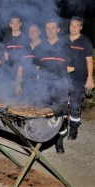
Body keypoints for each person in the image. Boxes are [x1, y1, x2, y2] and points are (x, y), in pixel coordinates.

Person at [34, 19, 75, 154]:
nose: (50, 31)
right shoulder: (40, 47)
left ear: (58, 30)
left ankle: (59, 141)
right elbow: (37, 66)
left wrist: (56, 75)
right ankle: (40, 140)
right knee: (42, 112)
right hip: (43, 85)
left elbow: (71, 67)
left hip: (59, 85)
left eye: (53, 28)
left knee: (60, 114)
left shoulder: (65, 47)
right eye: (47, 28)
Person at [65, 16, 94, 140]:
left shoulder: (85, 41)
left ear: (81, 27)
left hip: (79, 78)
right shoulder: (63, 40)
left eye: (77, 25)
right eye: (72, 25)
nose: (73, 27)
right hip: (64, 77)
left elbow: (89, 61)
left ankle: (74, 128)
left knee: (75, 103)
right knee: (62, 103)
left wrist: (90, 78)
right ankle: (61, 127)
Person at [2, 15, 30, 96]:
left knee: (23, 98)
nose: (15, 25)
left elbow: (26, 58)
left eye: (17, 23)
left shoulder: (26, 38)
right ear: (10, 24)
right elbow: (6, 57)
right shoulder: (6, 39)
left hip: (24, 73)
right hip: (10, 73)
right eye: (13, 23)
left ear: (20, 24)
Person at [15, 24, 42, 103]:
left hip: (40, 85)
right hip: (26, 84)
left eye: (34, 31)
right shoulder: (25, 48)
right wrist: (18, 85)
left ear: (39, 32)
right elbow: (20, 69)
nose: (32, 33)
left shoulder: (45, 46)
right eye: (30, 31)